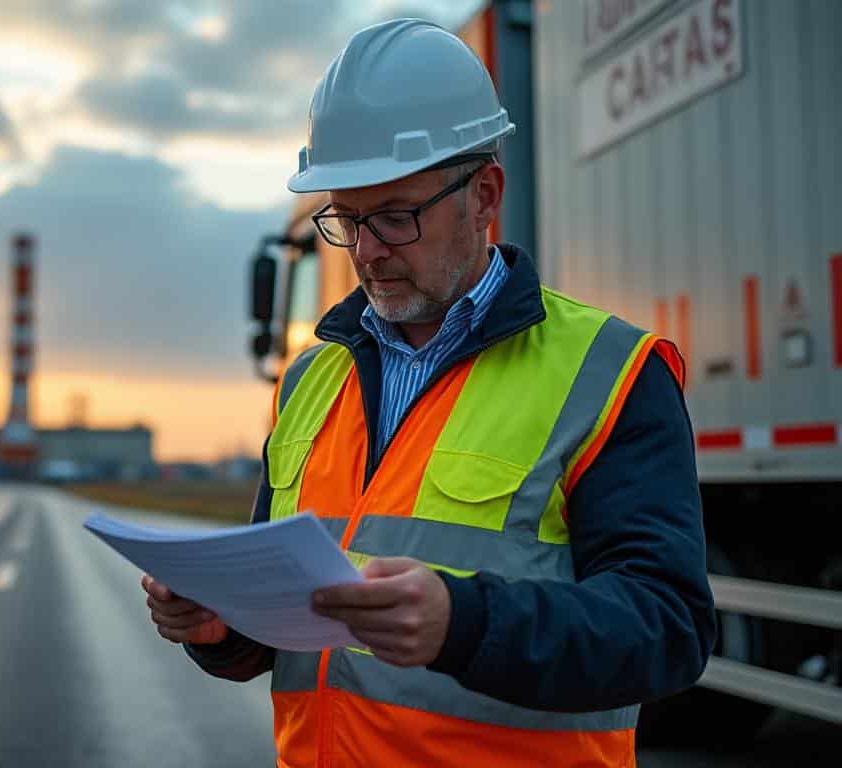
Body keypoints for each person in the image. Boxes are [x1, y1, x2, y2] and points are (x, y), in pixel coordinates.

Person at [141, 18, 715, 768]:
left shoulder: (611, 374)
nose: (369, 251)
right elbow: (292, 629)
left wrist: (465, 623)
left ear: (484, 196)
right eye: (347, 221)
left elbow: (667, 628)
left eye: (396, 216)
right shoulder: (310, 381)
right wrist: (222, 627)